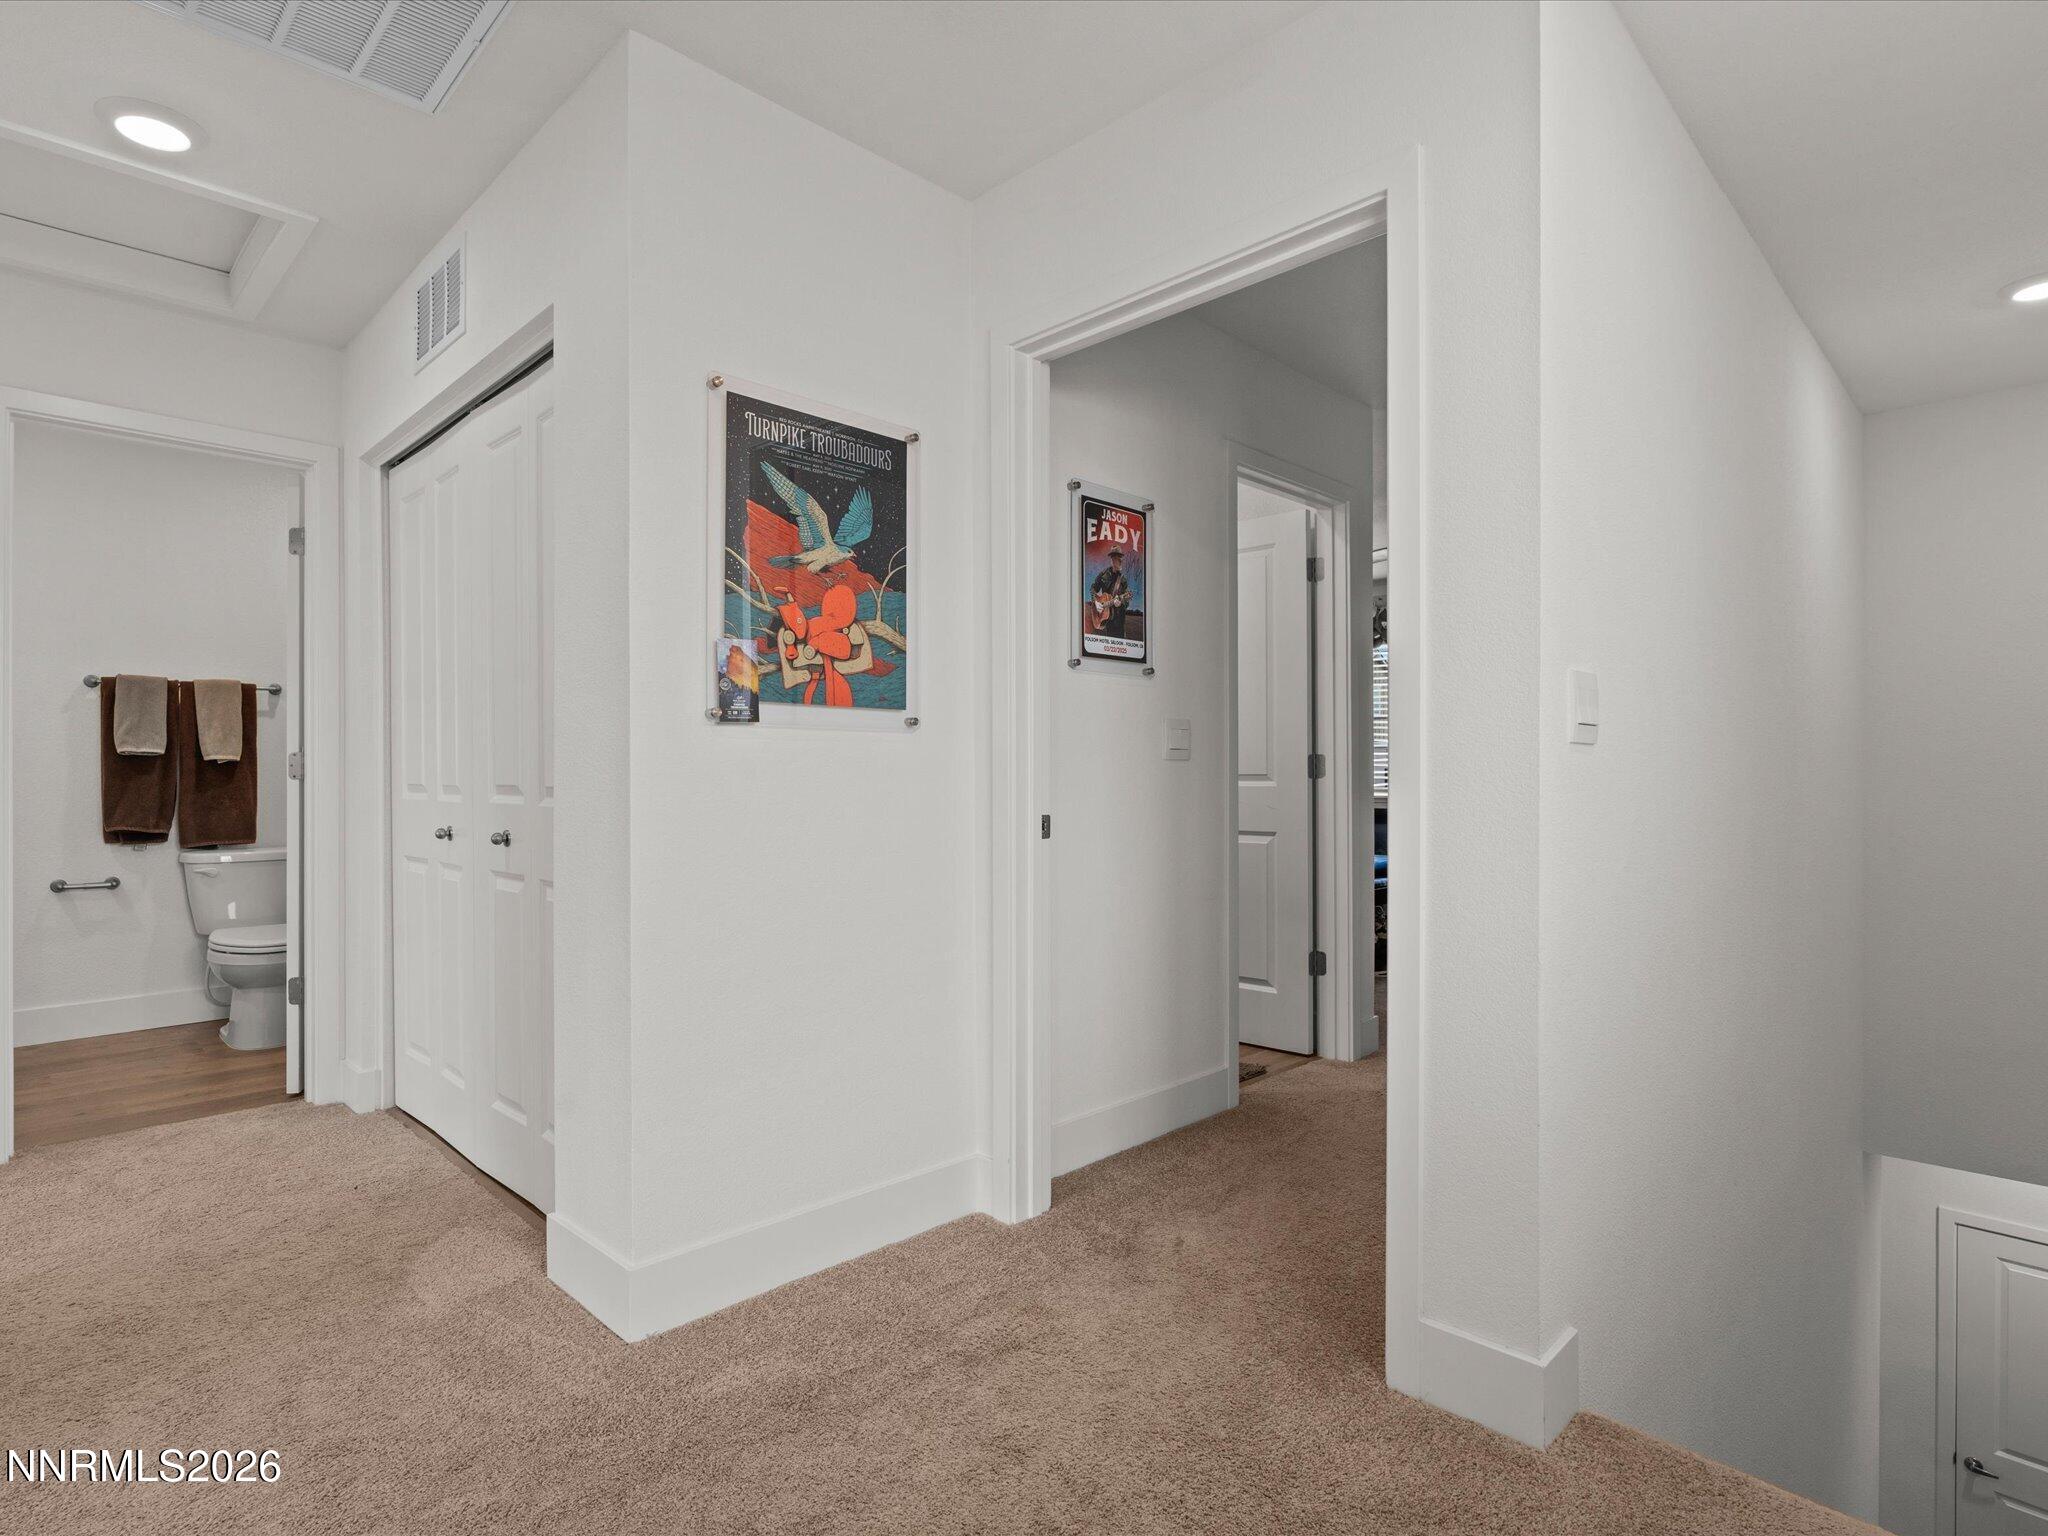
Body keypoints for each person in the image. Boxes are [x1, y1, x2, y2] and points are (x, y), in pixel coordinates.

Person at [1089, 547, 1131, 638]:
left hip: (1119, 620)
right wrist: (1095, 602)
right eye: (1118, 558)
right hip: (1106, 618)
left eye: (1121, 558)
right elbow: (1093, 588)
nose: (1121, 561)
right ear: (1112, 559)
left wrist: (1120, 603)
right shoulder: (1103, 574)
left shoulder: (1123, 580)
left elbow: (1127, 600)